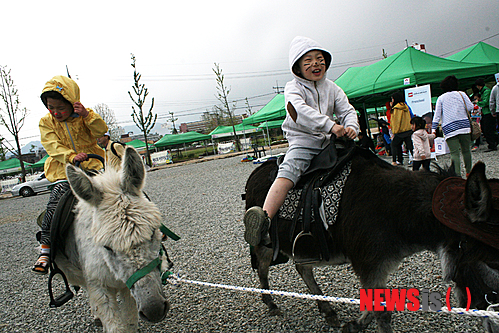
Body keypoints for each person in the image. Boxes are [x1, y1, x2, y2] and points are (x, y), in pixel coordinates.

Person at [242, 36, 359, 248]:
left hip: (330, 141)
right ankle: (263, 220)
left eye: (320, 58)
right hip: (304, 142)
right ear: (297, 66)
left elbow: (347, 109)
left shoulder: (332, 87)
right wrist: (329, 125)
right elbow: (299, 111)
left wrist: (352, 126)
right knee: (288, 174)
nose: (316, 63)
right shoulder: (293, 88)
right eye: (308, 60)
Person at [32, 75, 108, 274]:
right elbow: (51, 145)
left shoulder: (85, 115)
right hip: (64, 171)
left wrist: (86, 116)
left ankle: (149, 228)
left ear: (73, 104)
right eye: (51, 107)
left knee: (118, 191)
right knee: (55, 203)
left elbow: (101, 130)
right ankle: (46, 248)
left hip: (92, 166)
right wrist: (71, 156)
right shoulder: (46, 122)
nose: (56, 112)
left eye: (61, 108)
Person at [431, 75, 473, 176]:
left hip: (449, 129)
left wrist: (433, 129)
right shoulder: (461, 94)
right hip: (464, 127)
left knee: (454, 153)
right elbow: (470, 107)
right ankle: (469, 172)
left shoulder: (441, 98)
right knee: (466, 150)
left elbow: (437, 115)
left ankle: (457, 175)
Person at [389, 92, 413, 166]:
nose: (392, 101)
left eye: (392, 99)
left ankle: (395, 161)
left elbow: (396, 121)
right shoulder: (405, 106)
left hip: (400, 131)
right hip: (408, 129)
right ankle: (416, 159)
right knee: (409, 146)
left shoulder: (396, 108)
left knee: (394, 144)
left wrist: (394, 132)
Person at [475, 79, 497, 152]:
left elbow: (486, 102)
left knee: (488, 130)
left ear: (478, 86)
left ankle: (492, 144)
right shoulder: (483, 92)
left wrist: (478, 103)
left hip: (488, 113)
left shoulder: (486, 91)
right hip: (485, 113)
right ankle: (493, 143)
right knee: (484, 129)